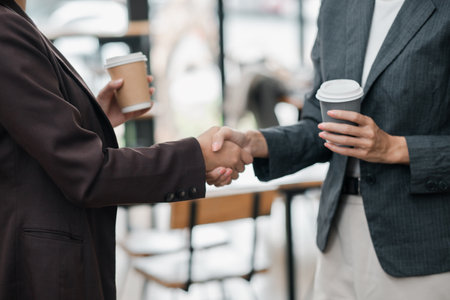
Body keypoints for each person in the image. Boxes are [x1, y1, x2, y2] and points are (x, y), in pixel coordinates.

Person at [0, 0, 250, 299]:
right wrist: (195, 155)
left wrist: (94, 119)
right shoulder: (5, 27)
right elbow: (88, 174)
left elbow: (30, 141)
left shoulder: (14, 19)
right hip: (36, 270)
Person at [210, 0, 450, 299]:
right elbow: (319, 125)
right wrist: (258, 142)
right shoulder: (338, 6)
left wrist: (395, 148)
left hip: (421, 242)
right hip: (336, 232)